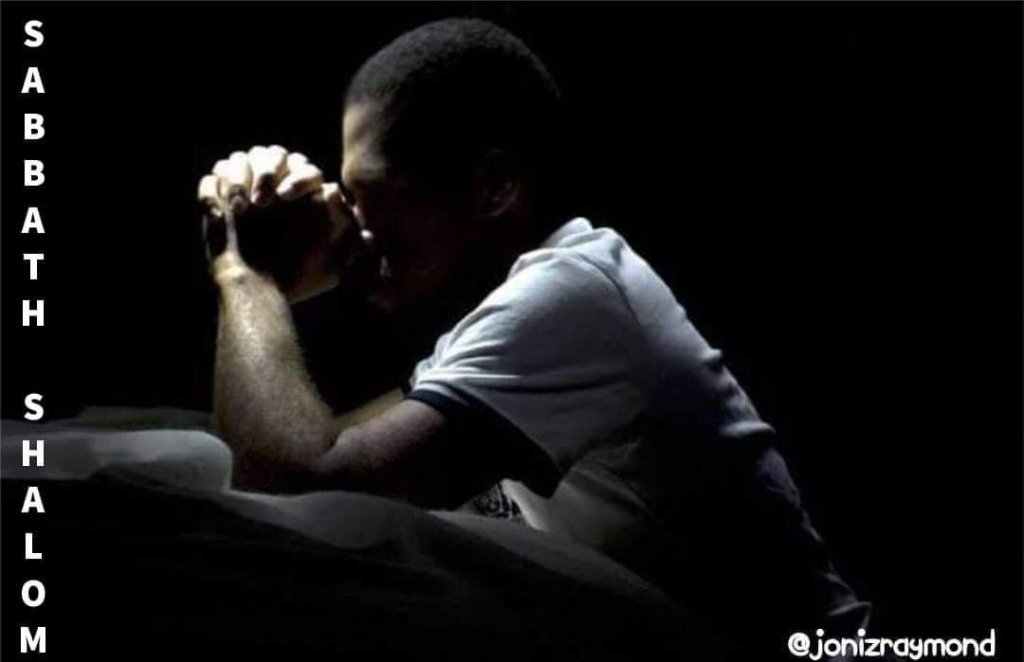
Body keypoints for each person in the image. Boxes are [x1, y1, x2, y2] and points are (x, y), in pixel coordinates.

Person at [196, 17, 870, 658]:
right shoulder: (496, 323)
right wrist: (290, 289)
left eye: (368, 193)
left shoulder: (576, 293)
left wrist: (245, 271)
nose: (353, 226)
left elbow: (293, 485)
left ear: (495, 187)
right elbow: (293, 447)